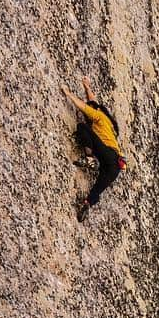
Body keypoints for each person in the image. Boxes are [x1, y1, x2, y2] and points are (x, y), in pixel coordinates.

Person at [61, 76, 126, 220]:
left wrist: (68, 93)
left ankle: (90, 158)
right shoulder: (109, 123)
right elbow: (94, 103)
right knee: (97, 189)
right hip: (116, 167)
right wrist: (87, 87)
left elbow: (85, 107)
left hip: (107, 154)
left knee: (82, 127)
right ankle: (87, 204)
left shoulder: (98, 116)